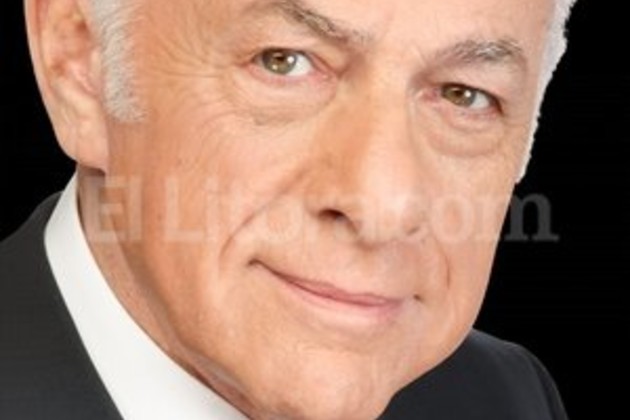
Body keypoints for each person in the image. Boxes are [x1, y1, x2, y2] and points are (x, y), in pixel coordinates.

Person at [0, 0, 577, 418]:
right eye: (284, 61)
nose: (381, 206)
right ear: (80, 63)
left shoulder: (505, 397)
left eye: (464, 95)